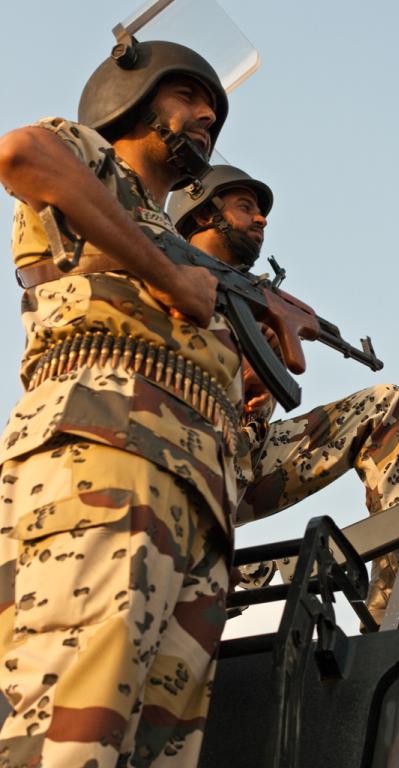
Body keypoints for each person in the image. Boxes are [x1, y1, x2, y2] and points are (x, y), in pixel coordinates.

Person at [0, 40, 242, 767]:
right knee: (69, 727)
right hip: (105, 445)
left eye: (216, 111)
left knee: (150, 748)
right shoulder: (87, 157)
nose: (206, 116)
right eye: (189, 96)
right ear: (129, 99)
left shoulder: (177, 239)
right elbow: (21, 155)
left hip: (196, 496)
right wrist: (168, 276)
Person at [168, 165, 399, 623]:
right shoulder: (164, 272)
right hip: (181, 451)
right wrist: (243, 352)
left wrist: (271, 334)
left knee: (387, 404)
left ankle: (397, 603)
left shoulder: (254, 298)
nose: (261, 219)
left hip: (249, 454)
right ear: (205, 215)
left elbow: (268, 393)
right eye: (245, 207)